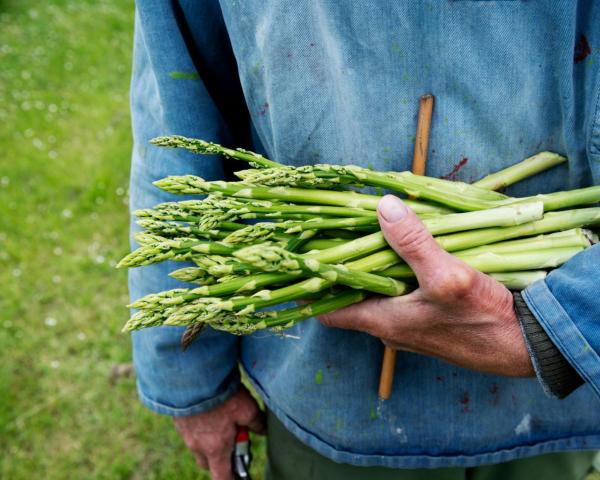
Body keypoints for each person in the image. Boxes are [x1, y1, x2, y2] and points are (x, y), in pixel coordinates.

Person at [128, 1, 600, 479]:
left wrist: (569, 323)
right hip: (333, 399)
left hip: (556, 398)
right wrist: (190, 383)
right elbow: (175, 103)